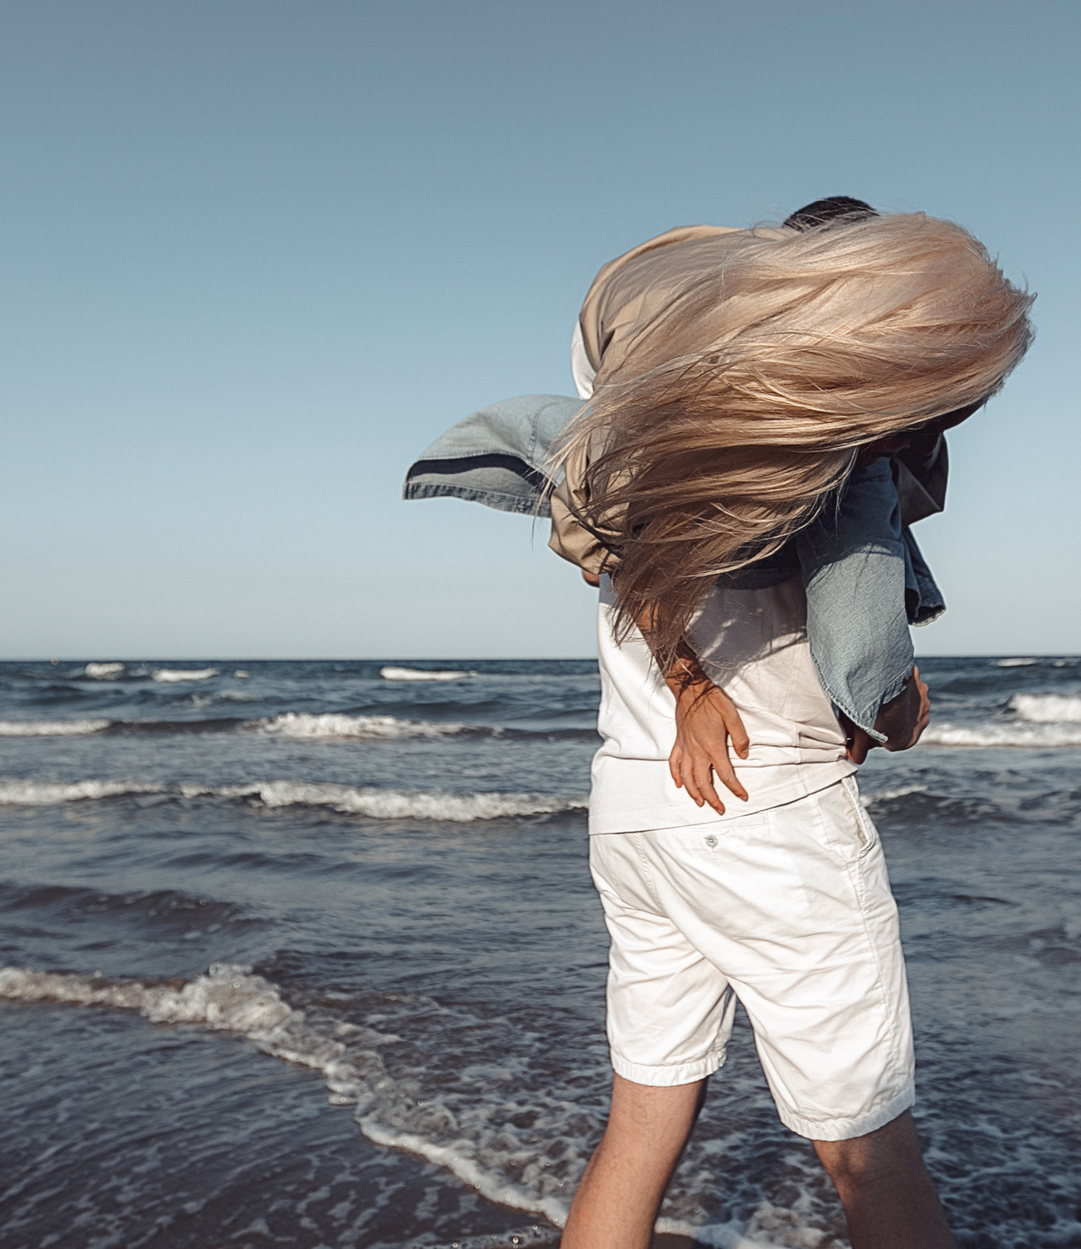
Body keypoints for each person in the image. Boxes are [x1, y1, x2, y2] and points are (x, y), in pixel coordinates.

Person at [404, 200, 1033, 1248]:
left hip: (637, 811)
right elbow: (860, 666)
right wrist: (900, 711)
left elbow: (647, 592)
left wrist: (694, 688)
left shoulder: (641, 440)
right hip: (769, 815)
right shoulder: (839, 457)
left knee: (643, 1119)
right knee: (867, 1148)